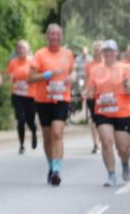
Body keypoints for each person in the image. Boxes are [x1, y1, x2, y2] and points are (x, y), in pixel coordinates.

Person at [29, 23, 76, 186]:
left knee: (57, 133)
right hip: (43, 99)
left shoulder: (68, 54)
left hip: (62, 98)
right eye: (52, 34)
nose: (55, 37)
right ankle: (50, 166)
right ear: (47, 36)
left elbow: (73, 71)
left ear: (61, 36)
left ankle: (57, 170)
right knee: (48, 137)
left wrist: (73, 77)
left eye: (58, 34)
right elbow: (30, 78)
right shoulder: (40, 54)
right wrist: (47, 74)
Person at [84, 40, 130, 186]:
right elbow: (90, 90)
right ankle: (111, 175)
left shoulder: (126, 68)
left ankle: (124, 163)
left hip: (122, 112)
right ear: (102, 53)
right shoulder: (96, 70)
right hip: (103, 111)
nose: (108, 54)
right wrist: (87, 93)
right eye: (106, 51)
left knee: (123, 147)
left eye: (111, 51)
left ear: (116, 52)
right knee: (106, 141)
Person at [6, 40, 38, 154]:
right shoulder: (13, 63)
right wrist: (9, 77)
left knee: (30, 120)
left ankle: (34, 132)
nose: (21, 50)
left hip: (31, 96)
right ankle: (22, 144)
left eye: (23, 48)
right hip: (17, 95)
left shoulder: (33, 62)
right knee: (21, 119)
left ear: (28, 50)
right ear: (16, 50)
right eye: (19, 48)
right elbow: (8, 76)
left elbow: (39, 76)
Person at [84, 41, 104, 154]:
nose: (98, 51)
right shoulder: (89, 65)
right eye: (96, 49)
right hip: (92, 96)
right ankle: (95, 144)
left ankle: (103, 139)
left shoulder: (107, 63)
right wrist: (86, 92)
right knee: (93, 120)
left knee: (102, 120)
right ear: (94, 51)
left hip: (105, 97)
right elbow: (87, 80)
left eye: (100, 49)